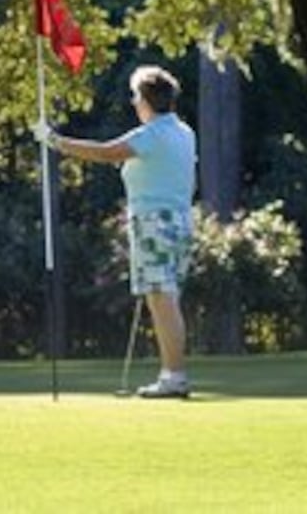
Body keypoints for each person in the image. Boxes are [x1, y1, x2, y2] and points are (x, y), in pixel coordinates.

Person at [35, 65, 197, 399]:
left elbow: (106, 152)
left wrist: (55, 140)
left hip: (155, 222)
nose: (135, 102)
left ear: (145, 100)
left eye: (136, 96)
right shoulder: (183, 131)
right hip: (180, 220)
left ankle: (174, 376)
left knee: (162, 300)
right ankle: (172, 374)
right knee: (168, 299)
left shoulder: (150, 135)